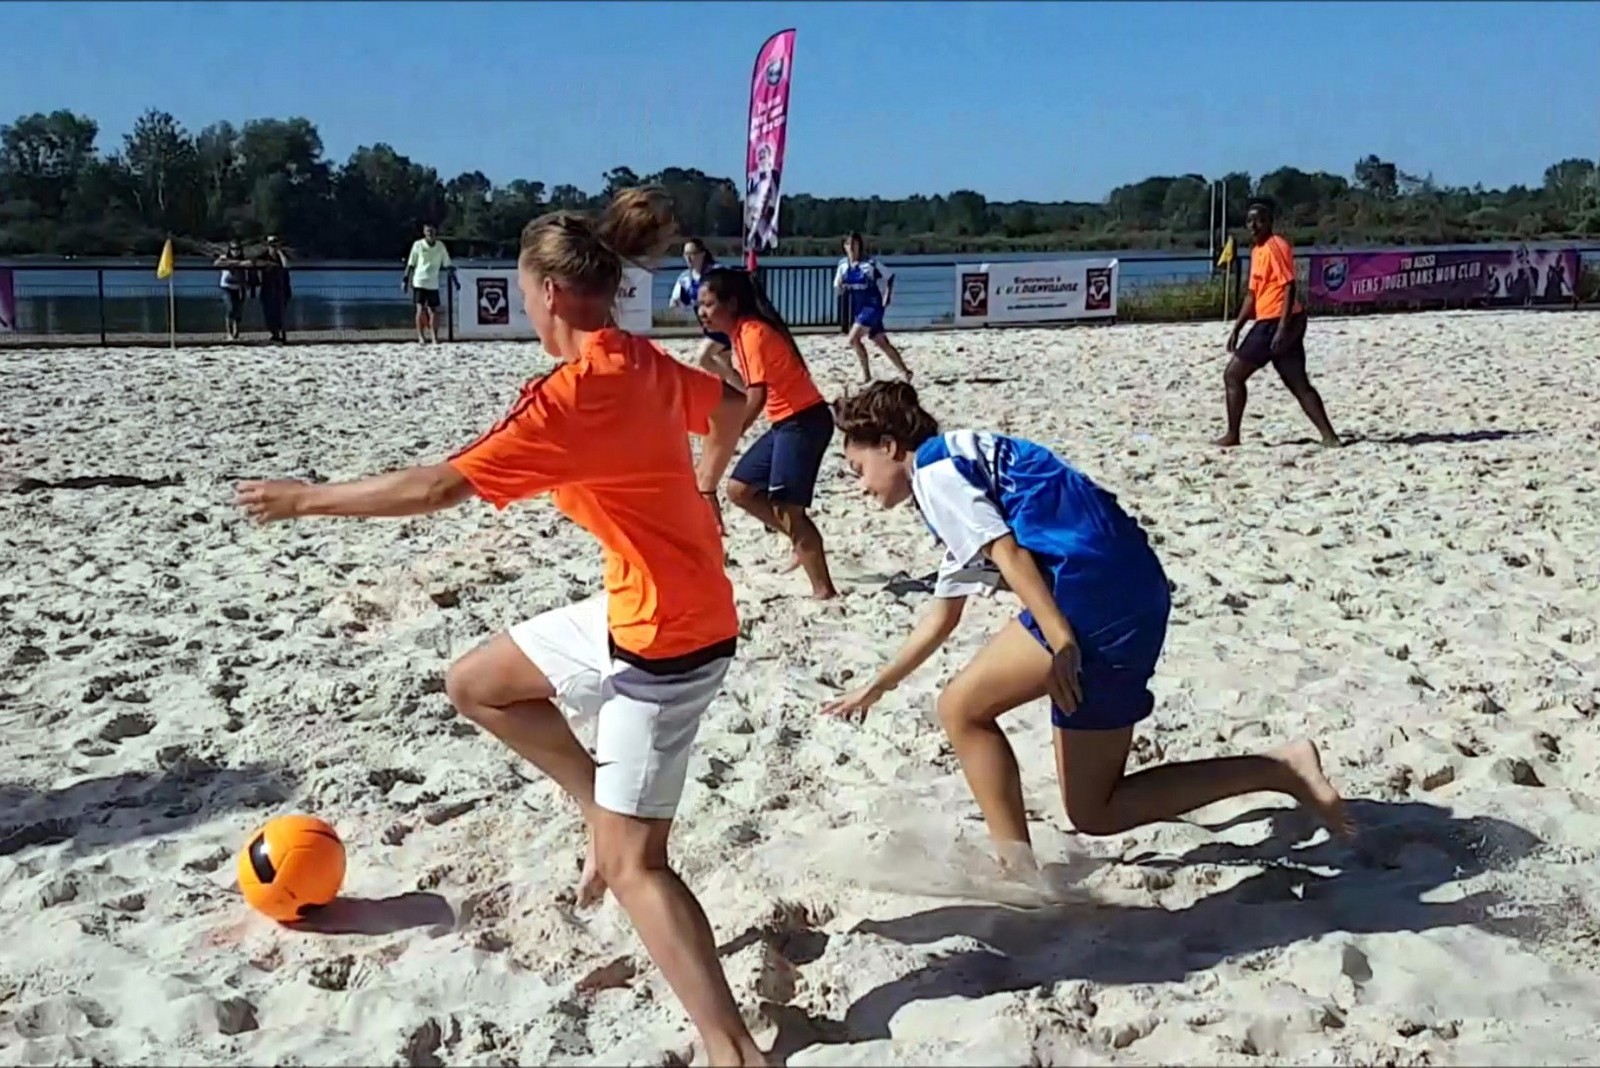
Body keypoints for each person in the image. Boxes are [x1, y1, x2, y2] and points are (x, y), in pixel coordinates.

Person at [235, 187, 769, 1068]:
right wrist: (704, 491)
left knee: (639, 867)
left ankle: (733, 1051)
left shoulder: (573, 394)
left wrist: (304, 500)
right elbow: (731, 405)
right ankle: (599, 803)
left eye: (524, 287)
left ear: (547, 292)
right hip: (648, 603)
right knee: (477, 683)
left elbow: (437, 489)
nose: (523, 301)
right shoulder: (635, 360)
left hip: (668, 642)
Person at [823, 381, 1351, 881]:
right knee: (1096, 808)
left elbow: (1007, 553)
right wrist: (878, 685)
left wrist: (1061, 639)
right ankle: (1280, 768)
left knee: (961, 708)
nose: (860, 486)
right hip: (1124, 585)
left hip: (1092, 593)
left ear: (890, 446)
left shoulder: (935, 473)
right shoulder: (960, 467)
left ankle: (1019, 872)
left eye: (857, 468)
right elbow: (944, 614)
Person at [697, 267, 838, 601]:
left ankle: (824, 591)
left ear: (731, 304)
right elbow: (749, 389)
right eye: (699, 305)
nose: (702, 312)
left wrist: (731, 434)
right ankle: (799, 541)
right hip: (785, 422)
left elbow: (756, 396)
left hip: (804, 421)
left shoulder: (751, 333)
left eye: (708, 304)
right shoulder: (739, 335)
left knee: (790, 510)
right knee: (740, 490)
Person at [1216, 199, 1342, 448]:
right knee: (1297, 382)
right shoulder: (1257, 251)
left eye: (1259, 220)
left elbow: (1289, 285)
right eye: (1250, 220)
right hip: (1273, 320)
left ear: (1269, 222)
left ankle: (1233, 434)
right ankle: (1329, 437)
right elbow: (1252, 295)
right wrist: (1237, 328)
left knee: (1233, 376)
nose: (1254, 225)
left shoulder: (1276, 246)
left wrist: (1284, 327)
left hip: (1276, 321)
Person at [834, 232, 912, 383]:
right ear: (844, 247)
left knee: (853, 338)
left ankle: (866, 375)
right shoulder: (842, 265)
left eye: (855, 244)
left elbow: (889, 276)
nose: (852, 248)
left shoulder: (870, 264)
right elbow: (838, 287)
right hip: (859, 308)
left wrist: (887, 295)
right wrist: (841, 287)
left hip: (873, 306)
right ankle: (905, 371)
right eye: (849, 244)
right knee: (881, 342)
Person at [670, 238, 738, 387]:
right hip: (709, 328)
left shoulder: (717, 272)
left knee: (702, 357)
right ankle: (743, 397)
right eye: (685, 254)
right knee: (724, 366)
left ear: (702, 254)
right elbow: (678, 303)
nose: (688, 258)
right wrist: (676, 304)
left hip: (724, 326)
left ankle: (747, 397)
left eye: (692, 253)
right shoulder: (685, 279)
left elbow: (734, 290)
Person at [404, 223, 454, 344]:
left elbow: (447, 264)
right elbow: (411, 264)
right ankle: (421, 337)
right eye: (427, 232)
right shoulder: (418, 245)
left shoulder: (440, 246)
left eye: (432, 231)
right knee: (420, 310)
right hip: (419, 281)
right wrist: (405, 279)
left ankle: (434, 337)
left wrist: (455, 280)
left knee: (434, 311)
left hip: (433, 283)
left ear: (435, 232)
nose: (430, 234)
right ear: (424, 232)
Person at [213, 240, 256, 342]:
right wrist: (237, 263)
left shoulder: (245, 259)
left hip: (240, 286)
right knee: (230, 309)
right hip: (227, 286)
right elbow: (216, 263)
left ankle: (236, 332)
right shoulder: (224, 258)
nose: (235, 251)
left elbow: (250, 264)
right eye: (233, 249)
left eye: (237, 249)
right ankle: (229, 333)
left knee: (238, 310)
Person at [258, 235, 293, 343]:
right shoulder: (263, 256)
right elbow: (255, 263)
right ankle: (274, 333)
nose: (272, 247)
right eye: (271, 245)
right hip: (267, 288)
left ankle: (282, 333)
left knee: (281, 312)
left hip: (282, 288)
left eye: (275, 245)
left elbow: (287, 265)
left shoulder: (283, 255)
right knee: (268, 312)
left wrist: (280, 253)